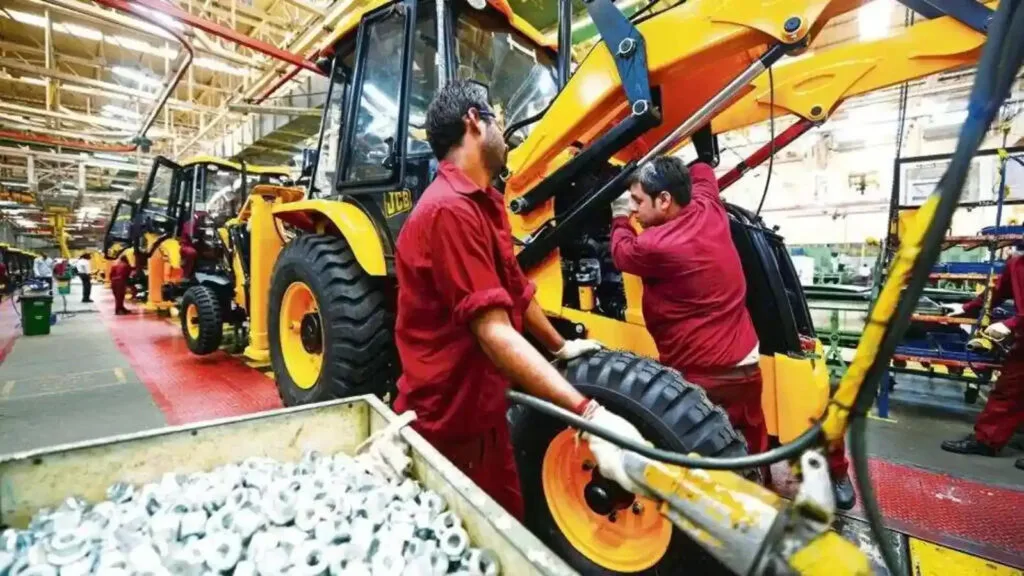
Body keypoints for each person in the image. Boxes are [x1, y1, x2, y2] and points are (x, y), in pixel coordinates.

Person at [393, 81, 649, 519]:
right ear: (474, 122)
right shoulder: (449, 210)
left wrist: (560, 346)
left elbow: (515, 288)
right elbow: (493, 330)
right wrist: (590, 414)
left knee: (510, 517)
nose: (505, 133)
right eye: (498, 119)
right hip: (449, 424)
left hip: (486, 409)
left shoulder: (484, 203)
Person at [608, 156, 857, 509]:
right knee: (753, 436)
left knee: (693, 445)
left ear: (664, 200)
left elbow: (621, 253)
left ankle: (718, 510)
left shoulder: (655, 245)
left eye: (637, 200)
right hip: (744, 361)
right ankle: (761, 489)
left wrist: (618, 216)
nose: (634, 209)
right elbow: (703, 171)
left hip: (698, 373)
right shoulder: (709, 207)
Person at [941, 251, 1024, 471]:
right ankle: (987, 441)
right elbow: (997, 292)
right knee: (1009, 389)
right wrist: (967, 307)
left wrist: (1012, 324)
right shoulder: (1017, 263)